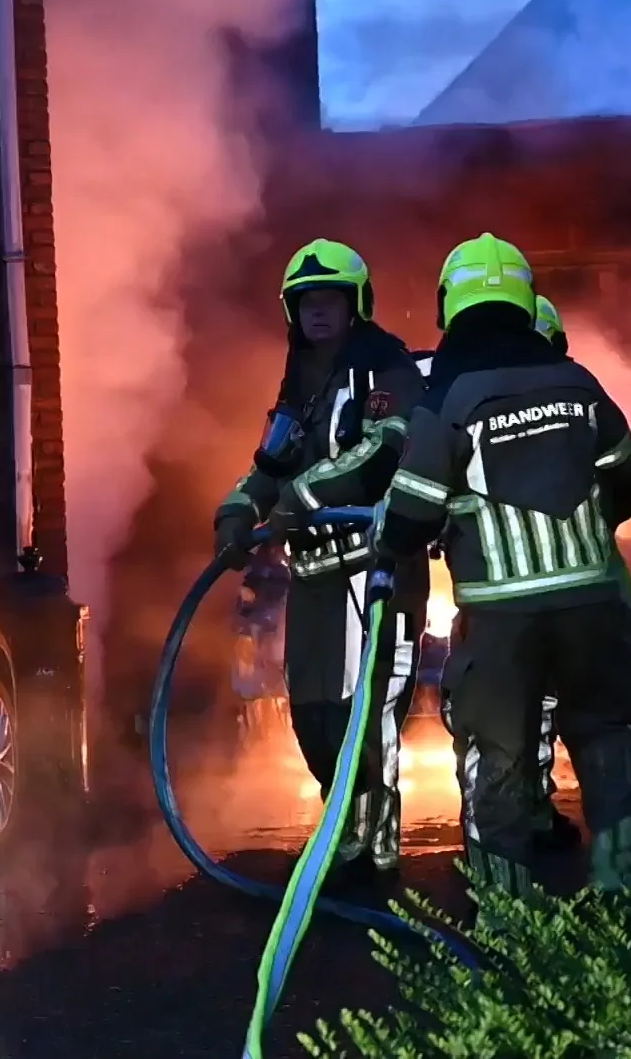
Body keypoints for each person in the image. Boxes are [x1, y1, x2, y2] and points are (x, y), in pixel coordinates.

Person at [371, 233, 631, 901]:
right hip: (591, 605)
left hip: (499, 622)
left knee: (496, 759)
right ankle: (627, 897)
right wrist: (588, 531)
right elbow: (629, 471)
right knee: (608, 739)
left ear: (450, 306)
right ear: (526, 301)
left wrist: (395, 547)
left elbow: (410, 515)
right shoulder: (577, 382)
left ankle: (508, 915)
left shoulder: (449, 398)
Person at [213, 238, 431, 887]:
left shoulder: (383, 368)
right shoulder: (298, 381)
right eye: (307, 303)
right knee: (312, 714)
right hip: (313, 577)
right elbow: (269, 463)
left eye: (330, 300)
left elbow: (385, 447)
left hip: (374, 570)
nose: (318, 313)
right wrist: (236, 511)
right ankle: (344, 827)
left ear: (355, 303)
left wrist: (301, 500)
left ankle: (375, 849)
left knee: (367, 714)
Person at [439, 290, 579, 854]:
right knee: (524, 722)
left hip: (498, 604)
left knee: (497, 728)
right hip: (551, 602)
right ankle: (515, 843)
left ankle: (504, 867)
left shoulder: (463, 399)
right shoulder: (575, 394)